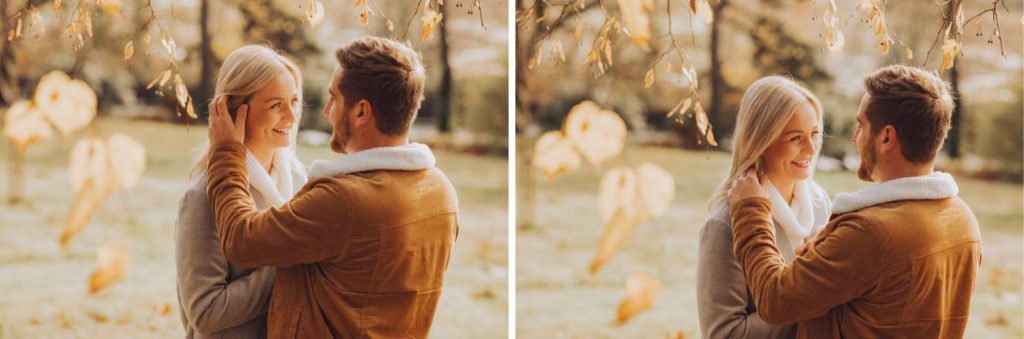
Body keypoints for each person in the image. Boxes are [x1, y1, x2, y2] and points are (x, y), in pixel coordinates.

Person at [205, 37, 459, 338]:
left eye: (334, 99)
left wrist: (227, 153)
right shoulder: (442, 191)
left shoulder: (343, 200)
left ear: (361, 112)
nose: (326, 110)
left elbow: (241, 239)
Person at [727, 65, 981, 338]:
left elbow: (774, 300)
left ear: (886, 137)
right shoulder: (963, 220)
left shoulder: (870, 234)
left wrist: (749, 210)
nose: (854, 137)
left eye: (861, 125)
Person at [175, 45, 307, 339]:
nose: (291, 115)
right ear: (234, 111)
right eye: (276, 105)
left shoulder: (301, 181)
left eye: (294, 101)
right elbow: (205, 312)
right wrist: (293, 263)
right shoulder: (202, 197)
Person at [697, 76, 832, 338]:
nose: (811, 148)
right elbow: (723, 334)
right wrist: (813, 301)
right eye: (796, 138)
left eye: (814, 134)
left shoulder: (819, 203)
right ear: (762, 140)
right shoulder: (723, 224)